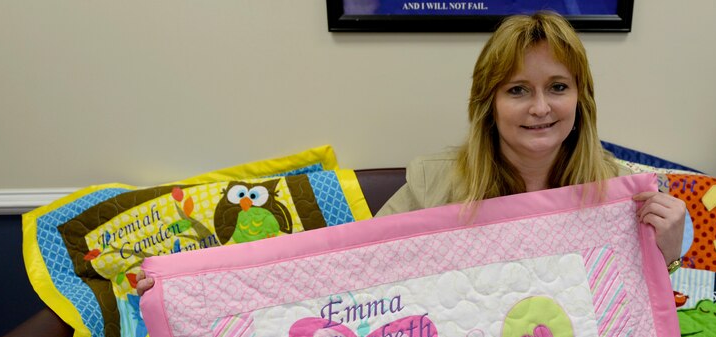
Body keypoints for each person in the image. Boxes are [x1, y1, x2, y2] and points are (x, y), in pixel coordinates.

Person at [137, 11, 684, 296]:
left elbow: (639, 295)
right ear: (487, 103)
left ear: (581, 98)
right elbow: (349, 266)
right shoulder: (434, 182)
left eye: (557, 87)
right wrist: (192, 278)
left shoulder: (615, 186)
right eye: (518, 90)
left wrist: (668, 244)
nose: (540, 107)